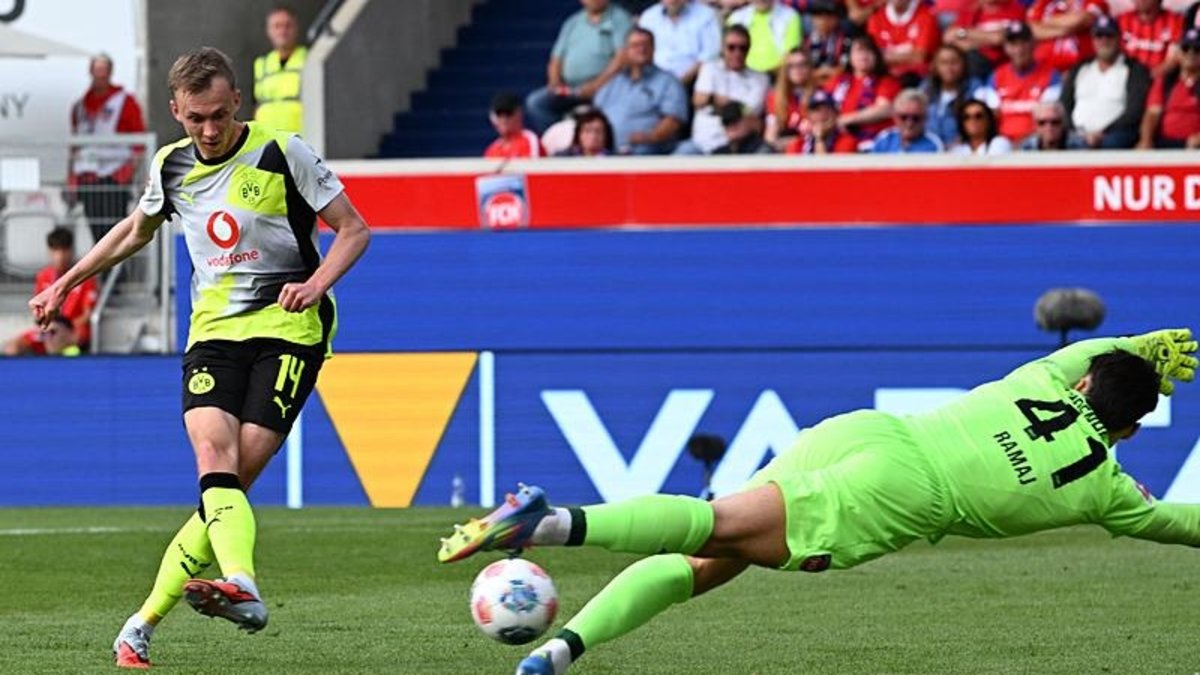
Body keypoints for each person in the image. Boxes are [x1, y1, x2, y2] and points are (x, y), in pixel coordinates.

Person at [438, 329, 1200, 675]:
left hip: (870, 435)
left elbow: (1093, 358)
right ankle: (550, 522)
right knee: (722, 525)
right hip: (897, 498)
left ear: (1084, 384)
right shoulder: (1107, 490)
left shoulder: (1043, 377)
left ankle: (556, 651)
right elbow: (1177, 522)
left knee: (710, 559)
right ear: (1131, 428)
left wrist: (1147, 343)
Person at [27, 47, 371, 669]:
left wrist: (317, 284)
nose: (208, 131)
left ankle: (140, 624)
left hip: (289, 332)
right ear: (175, 112)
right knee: (214, 460)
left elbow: (354, 229)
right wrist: (64, 283)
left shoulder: (284, 152)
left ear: (237, 101)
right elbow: (134, 230)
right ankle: (243, 587)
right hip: (212, 334)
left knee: (230, 484)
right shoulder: (172, 164)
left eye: (217, 115)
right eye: (194, 119)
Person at [69, 53, 147, 246]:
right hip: (87, 178)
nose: (100, 75)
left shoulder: (125, 102)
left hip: (114, 177)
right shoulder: (79, 106)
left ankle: (117, 275)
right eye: (97, 70)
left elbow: (139, 143)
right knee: (96, 235)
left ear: (110, 72)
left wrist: (127, 173)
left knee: (115, 235)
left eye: (104, 71)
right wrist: (71, 178)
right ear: (90, 72)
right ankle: (106, 275)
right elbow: (74, 147)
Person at [525, 0, 634, 133]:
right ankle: (563, 142)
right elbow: (556, 58)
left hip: (607, 86)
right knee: (536, 102)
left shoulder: (620, 18)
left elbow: (622, 58)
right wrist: (555, 82)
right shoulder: (572, 22)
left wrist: (595, 86)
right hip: (570, 88)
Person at [1060, 14, 1151, 148]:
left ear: (1119, 38)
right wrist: (1076, 132)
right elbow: (1064, 104)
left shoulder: (1134, 69)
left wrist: (1102, 133)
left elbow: (1134, 111)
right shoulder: (1080, 68)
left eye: (1109, 35)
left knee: (1113, 142)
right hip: (1077, 134)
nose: (1104, 40)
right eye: (1099, 36)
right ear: (1093, 40)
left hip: (1115, 134)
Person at [594, 28, 690, 154]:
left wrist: (650, 137)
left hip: (646, 149)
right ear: (626, 51)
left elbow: (673, 121)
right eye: (635, 45)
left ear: (653, 49)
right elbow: (594, 114)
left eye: (646, 45)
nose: (641, 49)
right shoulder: (613, 81)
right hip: (607, 150)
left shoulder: (668, 81)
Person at [4, 227, 97, 356]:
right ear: (50, 252)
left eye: (64, 250)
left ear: (71, 251)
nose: (60, 256)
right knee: (11, 348)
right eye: (56, 250)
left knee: (55, 339)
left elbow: (87, 315)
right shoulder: (43, 276)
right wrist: (44, 323)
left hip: (73, 331)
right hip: (47, 329)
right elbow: (39, 309)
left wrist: (63, 326)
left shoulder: (86, 278)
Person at [678, 25, 771, 153]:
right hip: (701, 144)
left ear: (749, 49)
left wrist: (713, 99)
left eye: (742, 48)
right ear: (722, 48)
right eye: (731, 47)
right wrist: (727, 104)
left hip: (738, 145)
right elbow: (698, 100)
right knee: (682, 154)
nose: (737, 53)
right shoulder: (709, 68)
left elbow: (748, 111)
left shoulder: (760, 79)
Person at [980, 22, 1062, 141]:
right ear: (1006, 47)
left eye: (1024, 43)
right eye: (1013, 44)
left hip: (1036, 141)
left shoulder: (1051, 75)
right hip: (1003, 141)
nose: (1019, 49)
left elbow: (1048, 120)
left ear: (1033, 44)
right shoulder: (996, 77)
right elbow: (992, 116)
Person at [826, 35, 903, 144]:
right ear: (850, 57)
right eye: (859, 51)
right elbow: (822, 105)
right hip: (840, 143)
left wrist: (846, 119)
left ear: (876, 56)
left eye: (868, 51)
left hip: (876, 144)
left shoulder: (887, 81)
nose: (864, 55)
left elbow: (884, 110)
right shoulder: (838, 81)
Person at [1137, 27, 1200, 148]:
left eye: (1197, 49)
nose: (1191, 54)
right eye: (1186, 49)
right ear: (1178, 53)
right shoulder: (1166, 81)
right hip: (1165, 144)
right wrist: (1146, 140)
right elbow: (1152, 114)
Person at [637, 0, 722, 87]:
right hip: (652, 81)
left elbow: (710, 54)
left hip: (693, 82)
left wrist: (680, 82)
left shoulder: (705, 15)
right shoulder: (648, 17)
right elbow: (639, 52)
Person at [254, 5, 307, 134]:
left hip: (300, 141)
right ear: (269, 30)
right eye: (277, 26)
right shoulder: (261, 64)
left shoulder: (309, 59)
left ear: (296, 29)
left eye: (288, 25)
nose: (282, 31)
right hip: (268, 140)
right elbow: (257, 104)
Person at [867, 0, 943, 87]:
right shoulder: (876, 17)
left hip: (914, 78)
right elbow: (874, 55)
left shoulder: (926, 15)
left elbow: (920, 56)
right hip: (883, 75)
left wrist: (885, 56)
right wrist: (908, 54)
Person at [943, 0, 1026, 78]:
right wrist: (988, 39)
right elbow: (948, 37)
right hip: (974, 62)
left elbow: (999, 38)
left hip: (1003, 63)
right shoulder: (971, 11)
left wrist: (964, 33)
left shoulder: (1014, 9)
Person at [922, 44, 986, 145]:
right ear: (935, 66)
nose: (949, 67)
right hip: (928, 148)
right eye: (944, 63)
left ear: (963, 64)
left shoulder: (974, 88)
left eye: (954, 62)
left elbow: (982, 123)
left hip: (962, 148)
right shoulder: (926, 88)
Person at [1026, 0, 1107, 72]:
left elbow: (1082, 19)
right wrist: (1068, 30)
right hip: (1047, 74)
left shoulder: (1093, 1)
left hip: (1084, 70)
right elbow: (1030, 31)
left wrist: (1044, 21)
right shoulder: (1045, 3)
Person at [725, 0, 803, 74]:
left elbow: (790, 55)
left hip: (776, 76)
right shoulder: (735, 18)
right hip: (741, 75)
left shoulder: (790, 16)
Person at [764, 48, 819, 149]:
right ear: (785, 70)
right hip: (787, 153)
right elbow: (770, 138)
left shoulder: (820, 94)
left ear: (809, 67)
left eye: (802, 64)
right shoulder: (775, 97)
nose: (797, 69)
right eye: (792, 66)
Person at [1116, 0, 1183, 77]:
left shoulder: (1175, 21)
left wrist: (1147, 78)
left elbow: (1172, 61)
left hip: (1160, 81)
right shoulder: (1121, 20)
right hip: (1124, 78)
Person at [784, 90, 861, 152]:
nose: (822, 115)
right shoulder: (797, 144)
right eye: (816, 110)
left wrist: (819, 139)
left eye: (827, 109)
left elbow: (826, 170)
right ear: (808, 116)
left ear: (836, 114)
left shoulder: (847, 141)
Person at [869, 88, 946, 151]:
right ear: (895, 117)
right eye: (903, 117)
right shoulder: (885, 139)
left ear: (925, 118)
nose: (909, 123)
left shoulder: (933, 145)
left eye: (916, 118)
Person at [803, 0, 852, 85]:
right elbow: (804, 71)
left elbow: (842, 69)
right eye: (819, 16)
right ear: (812, 19)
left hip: (837, 84)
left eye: (828, 15)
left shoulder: (845, 40)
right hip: (811, 85)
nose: (823, 20)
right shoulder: (806, 42)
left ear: (836, 18)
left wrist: (824, 73)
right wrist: (822, 72)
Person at [484, 92, 545, 159]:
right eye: (499, 114)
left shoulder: (529, 140)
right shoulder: (492, 149)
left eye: (508, 113)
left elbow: (533, 167)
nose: (504, 119)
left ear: (519, 113)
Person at [1020, 100, 1088, 147]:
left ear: (1063, 124)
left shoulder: (1078, 146)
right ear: (1035, 125)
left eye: (1055, 122)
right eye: (1042, 123)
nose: (1049, 127)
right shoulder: (1027, 148)